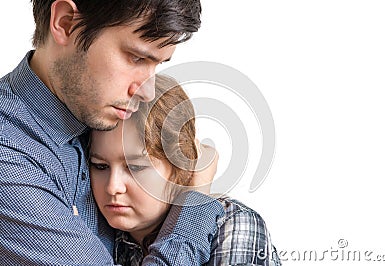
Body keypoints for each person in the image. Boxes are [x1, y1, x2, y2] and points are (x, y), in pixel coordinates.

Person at [0, 1, 224, 265]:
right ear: (66, 23)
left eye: (157, 64)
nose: (147, 91)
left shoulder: (94, 117)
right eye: (136, 58)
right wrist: (195, 197)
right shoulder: (9, 155)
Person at [89, 74, 282, 266]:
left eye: (136, 167)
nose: (113, 187)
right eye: (100, 166)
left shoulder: (233, 226)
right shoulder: (91, 230)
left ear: (181, 167)